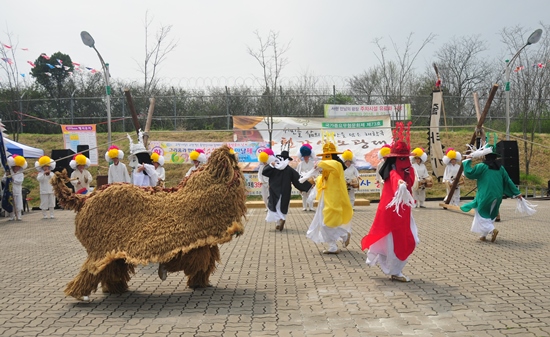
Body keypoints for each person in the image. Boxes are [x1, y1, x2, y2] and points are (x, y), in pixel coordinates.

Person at [361, 122, 419, 282]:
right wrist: (400, 183)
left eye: (405, 158)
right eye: (401, 158)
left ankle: (393, 268)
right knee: (394, 241)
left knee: (408, 238)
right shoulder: (392, 171)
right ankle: (395, 270)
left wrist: (405, 181)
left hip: (403, 212)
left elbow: (411, 179)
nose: (404, 161)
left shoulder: (407, 168)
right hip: (393, 213)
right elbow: (395, 178)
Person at [460, 145, 522, 242]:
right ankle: (483, 235)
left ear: (485, 156)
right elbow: (508, 181)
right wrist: (517, 193)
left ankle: (492, 230)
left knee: (481, 214)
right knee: (489, 214)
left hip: (485, 195)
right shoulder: (501, 168)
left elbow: (469, 173)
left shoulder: (482, 166)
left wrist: (467, 160)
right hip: (497, 195)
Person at [305, 135, 353, 254]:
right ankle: (334, 245)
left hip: (334, 200)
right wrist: (316, 180)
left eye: (327, 156)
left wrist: (319, 164)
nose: (325, 159)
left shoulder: (337, 166)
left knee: (327, 223)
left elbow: (330, 164)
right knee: (323, 222)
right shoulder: (328, 170)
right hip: (325, 199)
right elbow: (323, 178)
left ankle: (342, 235)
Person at [262, 146, 312, 231]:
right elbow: (298, 179)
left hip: (274, 191)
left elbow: (265, 172)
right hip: (285, 191)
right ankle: (282, 219)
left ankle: (278, 223)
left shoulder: (274, 167)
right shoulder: (289, 170)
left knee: (275, 206)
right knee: (283, 206)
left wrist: (271, 165)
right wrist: (308, 185)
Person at [5, 154, 26, 221]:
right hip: (10, 190)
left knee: (18, 204)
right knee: (11, 204)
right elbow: (3, 180)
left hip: (17, 190)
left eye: (18, 167)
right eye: (16, 167)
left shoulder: (21, 173)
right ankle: (12, 216)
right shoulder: (9, 173)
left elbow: (20, 181)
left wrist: (13, 180)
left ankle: (19, 216)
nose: (17, 168)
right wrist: (7, 177)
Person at [296, 144, 316, 211]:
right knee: (304, 193)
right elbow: (298, 173)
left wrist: (314, 180)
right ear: (303, 156)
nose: (306, 157)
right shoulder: (300, 164)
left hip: (310, 180)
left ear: (309, 156)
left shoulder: (312, 163)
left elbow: (314, 172)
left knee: (311, 193)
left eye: (307, 156)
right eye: (304, 156)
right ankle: (304, 207)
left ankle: (311, 207)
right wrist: (299, 181)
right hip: (303, 180)